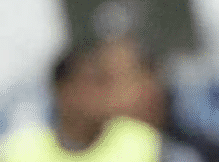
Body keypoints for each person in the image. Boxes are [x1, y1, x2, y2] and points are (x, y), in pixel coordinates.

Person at [0, 46, 160, 162]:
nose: (100, 92)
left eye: (103, 82)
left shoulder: (140, 140)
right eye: (91, 83)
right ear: (64, 92)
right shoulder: (19, 151)